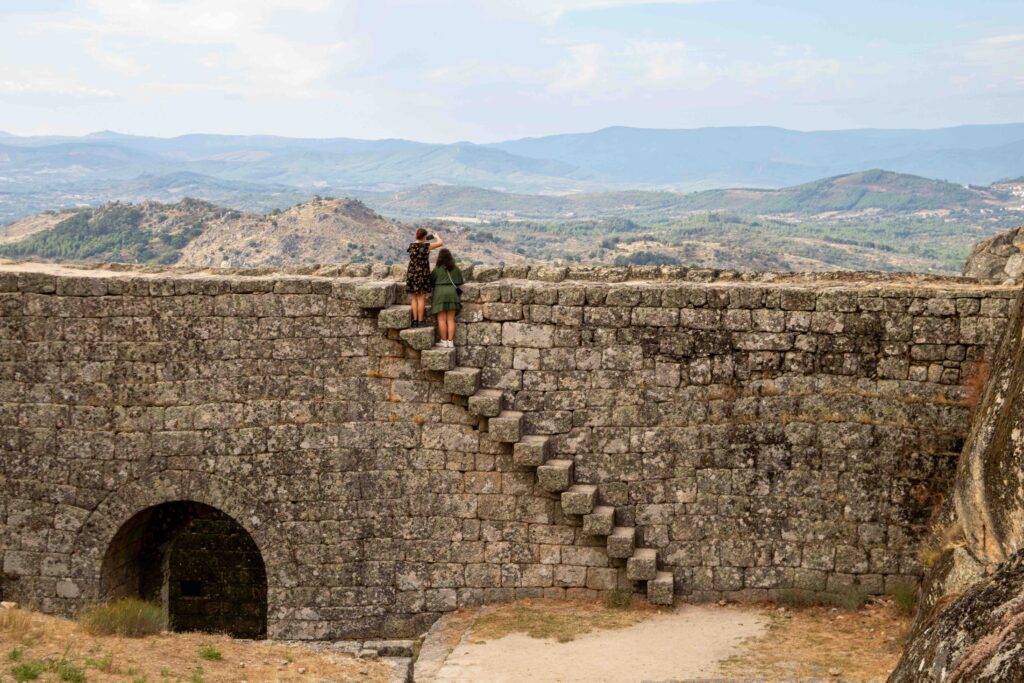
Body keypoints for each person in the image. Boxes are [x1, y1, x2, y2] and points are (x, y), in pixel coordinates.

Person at [406, 228, 443, 327]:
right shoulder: (426, 246)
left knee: (414, 297)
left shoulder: (411, 246)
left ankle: (414, 321)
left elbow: (418, 244)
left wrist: (424, 239)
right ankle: (421, 321)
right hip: (422, 274)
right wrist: (436, 237)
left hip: (412, 273)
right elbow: (440, 243)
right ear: (424, 237)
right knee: (421, 297)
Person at [430, 248, 463, 348]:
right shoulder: (455, 268)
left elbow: (431, 282)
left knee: (441, 319)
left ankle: (444, 341)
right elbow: (460, 281)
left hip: (439, 294)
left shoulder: (437, 268)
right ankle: (450, 341)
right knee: (450, 319)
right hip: (452, 294)